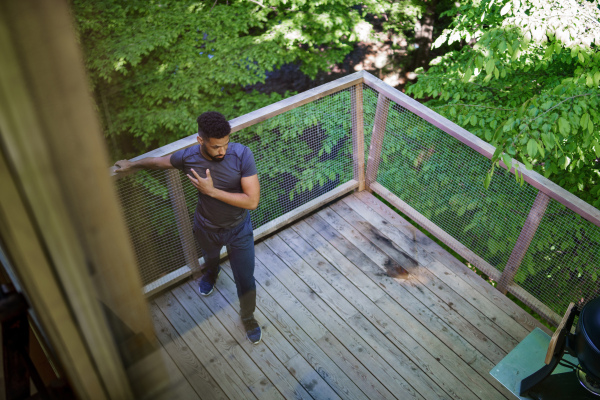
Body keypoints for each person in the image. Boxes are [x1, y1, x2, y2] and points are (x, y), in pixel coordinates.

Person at [114, 111, 262, 344]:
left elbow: (252, 201)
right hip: (206, 227)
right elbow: (158, 162)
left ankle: (248, 316)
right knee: (210, 260)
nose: (222, 151)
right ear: (200, 140)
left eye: (225, 144)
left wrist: (211, 191)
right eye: (215, 147)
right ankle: (211, 275)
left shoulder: (242, 155)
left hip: (238, 229)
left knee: (246, 278)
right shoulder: (188, 157)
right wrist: (133, 164)